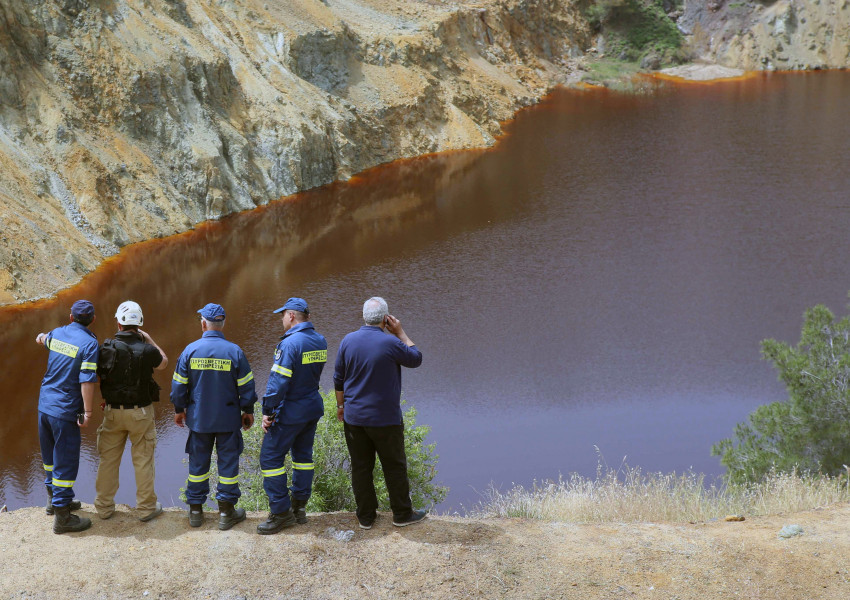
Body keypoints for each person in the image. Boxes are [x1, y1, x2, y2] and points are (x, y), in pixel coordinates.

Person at [333, 297, 426, 529]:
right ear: (387, 319)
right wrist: (401, 333)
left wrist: (341, 407)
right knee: (394, 466)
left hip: (354, 419)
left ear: (364, 317)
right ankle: (402, 515)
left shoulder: (348, 341)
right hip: (386, 420)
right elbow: (416, 359)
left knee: (361, 467)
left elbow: (338, 378)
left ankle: (366, 517)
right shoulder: (391, 343)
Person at [170, 303, 256, 530]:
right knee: (228, 466)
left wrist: (179, 410)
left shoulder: (190, 351)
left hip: (199, 420)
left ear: (203, 324)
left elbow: (179, 386)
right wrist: (248, 411)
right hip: (228, 420)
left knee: (198, 464)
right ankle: (226, 513)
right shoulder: (234, 352)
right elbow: (246, 387)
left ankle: (196, 512)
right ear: (223, 323)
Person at [257, 298, 328, 535]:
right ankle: (299, 508)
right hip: (311, 408)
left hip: (290, 411)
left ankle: (280, 513)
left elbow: (278, 384)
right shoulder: (320, 340)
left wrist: (267, 412)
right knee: (303, 458)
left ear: (291, 316)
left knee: (270, 459)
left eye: (282, 315)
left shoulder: (289, 344)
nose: (281, 320)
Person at [94, 301, 168, 522]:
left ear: (118, 323)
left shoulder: (106, 348)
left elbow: (98, 376)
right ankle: (146, 509)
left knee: (108, 460)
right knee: (143, 460)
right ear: (140, 324)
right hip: (141, 414)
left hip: (112, 412)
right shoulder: (147, 350)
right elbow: (163, 362)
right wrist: (148, 338)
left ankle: (104, 508)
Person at [35, 299, 99, 534]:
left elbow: (44, 339)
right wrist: (87, 411)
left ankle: (54, 500)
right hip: (65, 411)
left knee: (49, 457)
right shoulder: (90, 344)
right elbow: (87, 380)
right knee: (65, 460)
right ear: (92, 319)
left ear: (71, 317)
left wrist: (41, 336)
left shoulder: (58, 333)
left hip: (44, 406)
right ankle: (63, 517)